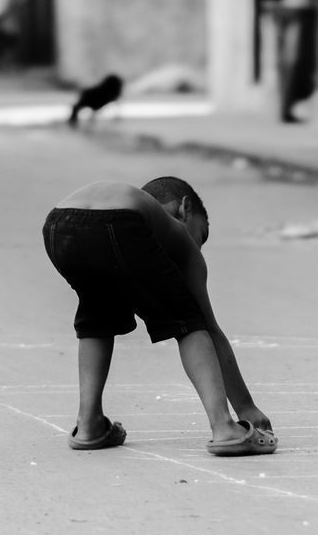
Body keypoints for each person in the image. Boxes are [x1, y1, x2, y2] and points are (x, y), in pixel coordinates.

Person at [41, 175, 278, 456]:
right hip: (120, 224)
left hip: (58, 226)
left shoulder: (135, 205)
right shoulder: (170, 232)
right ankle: (224, 426)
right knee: (189, 321)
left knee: (97, 315)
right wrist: (246, 406)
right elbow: (209, 330)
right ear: (184, 209)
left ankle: (89, 423)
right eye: (199, 235)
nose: (197, 248)